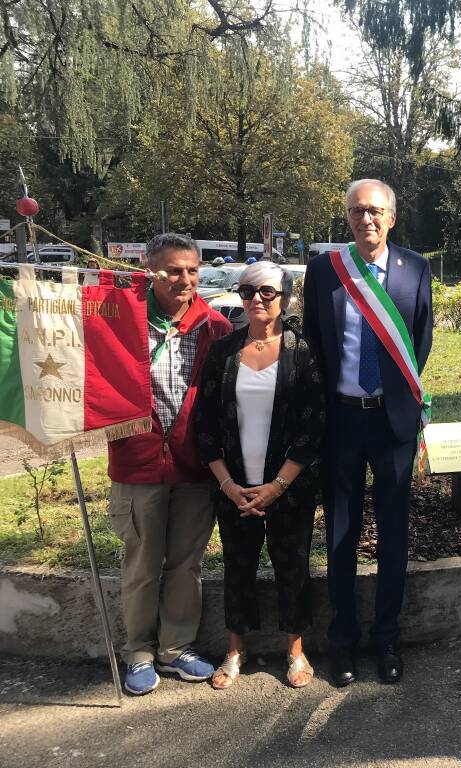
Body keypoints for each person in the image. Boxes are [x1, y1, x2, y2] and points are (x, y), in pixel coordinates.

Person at [303, 178, 433, 687]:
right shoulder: (325, 272)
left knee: (394, 536)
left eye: (375, 211)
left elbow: (419, 341)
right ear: (349, 217)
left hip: (392, 421)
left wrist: (397, 398)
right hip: (341, 420)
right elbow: (315, 339)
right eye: (357, 212)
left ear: (392, 217)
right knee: (340, 534)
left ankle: (387, 637)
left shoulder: (415, 268)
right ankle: (344, 642)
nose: (367, 220)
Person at [106, 233, 233, 695]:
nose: (185, 280)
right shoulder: (121, 322)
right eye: (174, 270)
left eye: (192, 271)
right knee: (141, 564)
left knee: (186, 563)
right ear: (151, 270)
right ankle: (139, 651)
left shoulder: (214, 326)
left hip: (195, 467)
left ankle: (177, 648)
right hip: (137, 465)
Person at [195, 262, 326, 690]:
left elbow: (313, 428)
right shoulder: (223, 352)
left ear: (285, 298)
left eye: (267, 292)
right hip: (233, 488)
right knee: (238, 566)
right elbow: (206, 425)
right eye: (248, 291)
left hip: (288, 488)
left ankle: (295, 650)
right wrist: (228, 485)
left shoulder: (303, 352)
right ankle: (235, 650)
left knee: (293, 566)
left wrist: (277, 486)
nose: (256, 299)